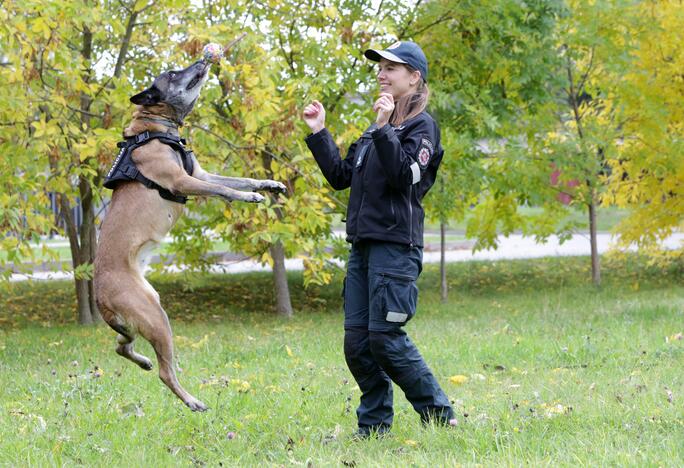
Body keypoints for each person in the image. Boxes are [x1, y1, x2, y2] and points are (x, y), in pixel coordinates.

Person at [302, 41, 456, 438]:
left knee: (385, 339)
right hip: (363, 248)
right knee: (357, 343)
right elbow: (341, 176)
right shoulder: (374, 128)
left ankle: (440, 415)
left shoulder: (423, 126)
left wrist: (387, 128)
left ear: (414, 77)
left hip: (396, 248)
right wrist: (319, 132)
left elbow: (405, 176)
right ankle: (373, 426)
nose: (382, 74)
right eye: (380, 68)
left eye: (391, 68)